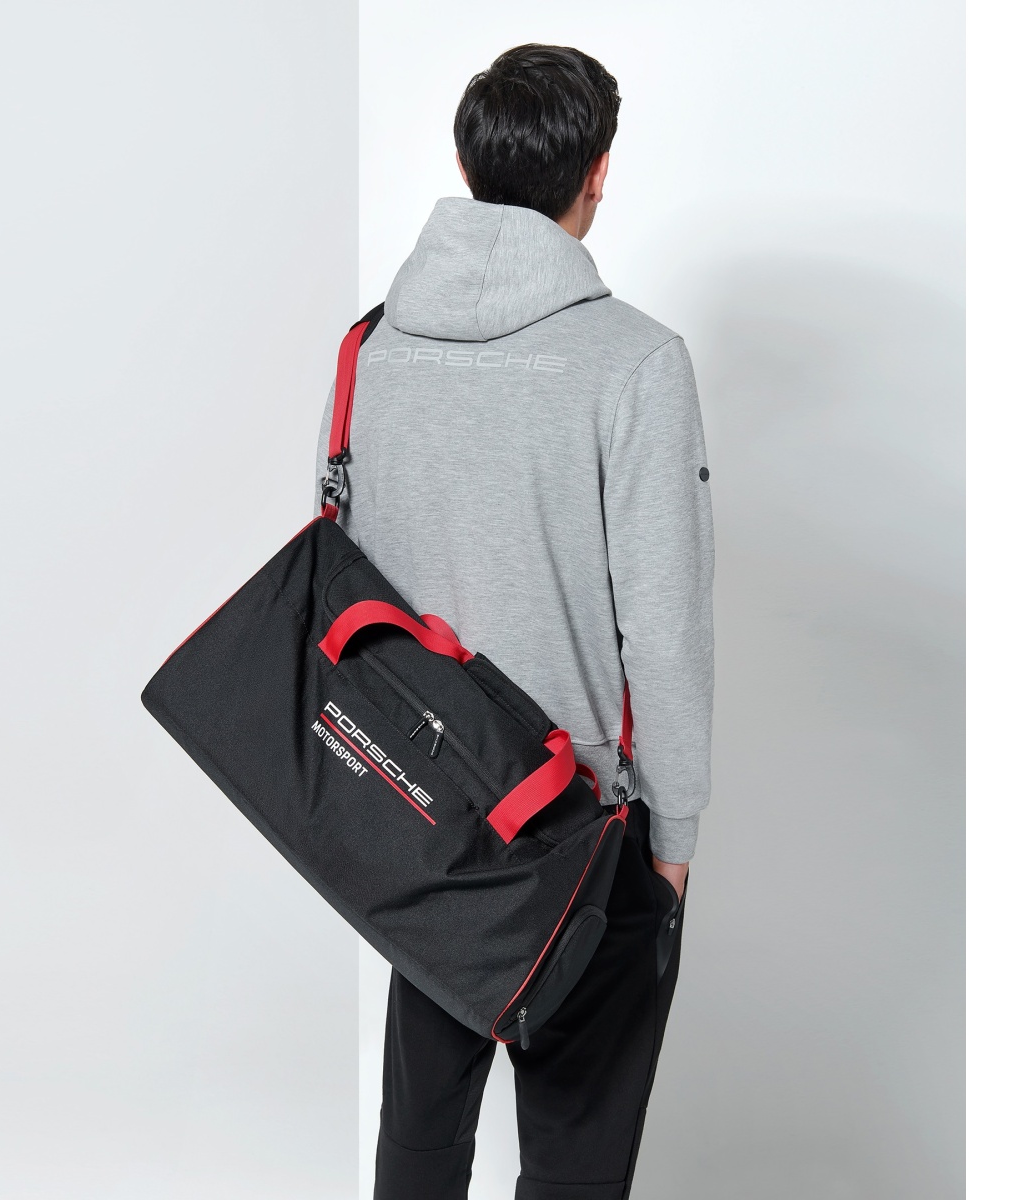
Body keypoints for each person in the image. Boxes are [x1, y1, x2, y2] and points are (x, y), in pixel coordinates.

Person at [315, 43, 714, 1200]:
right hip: (585, 821)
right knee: (577, 1156)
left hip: (420, 807)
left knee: (422, 1131)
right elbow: (664, 627)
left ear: (465, 167)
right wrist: (674, 838)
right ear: (599, 172)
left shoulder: (371, 350)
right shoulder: (636, 364)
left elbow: (343, 581)